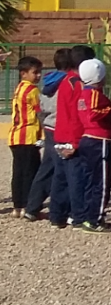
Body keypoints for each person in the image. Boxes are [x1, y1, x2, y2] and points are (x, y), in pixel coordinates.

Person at [57, 57, 111, 233]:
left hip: (88, 139)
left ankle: (90, 215)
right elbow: (93, 113)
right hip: (99, 139)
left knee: (91, 181)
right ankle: (95, 219)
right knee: (101, 182)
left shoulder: (83, 93)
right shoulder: (94, 94)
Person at [23, 50, 70, 224]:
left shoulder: (49, 81)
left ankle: (32, 208)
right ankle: (61, 211)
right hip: (61, 127)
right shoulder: (68, 81)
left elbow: (41, 107)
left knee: (46, 169)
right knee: (62, 171)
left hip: (49, 126)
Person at [9, 56, 43, 218]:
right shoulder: (32, 90)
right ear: (23, 73)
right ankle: (28, 204)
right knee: (31, 171)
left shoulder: (19, 88)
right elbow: (39, 111)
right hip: (28, 135)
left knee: (18, 172)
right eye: (35, 72)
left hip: (15, 136)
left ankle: (17, 205)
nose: (38, 76)